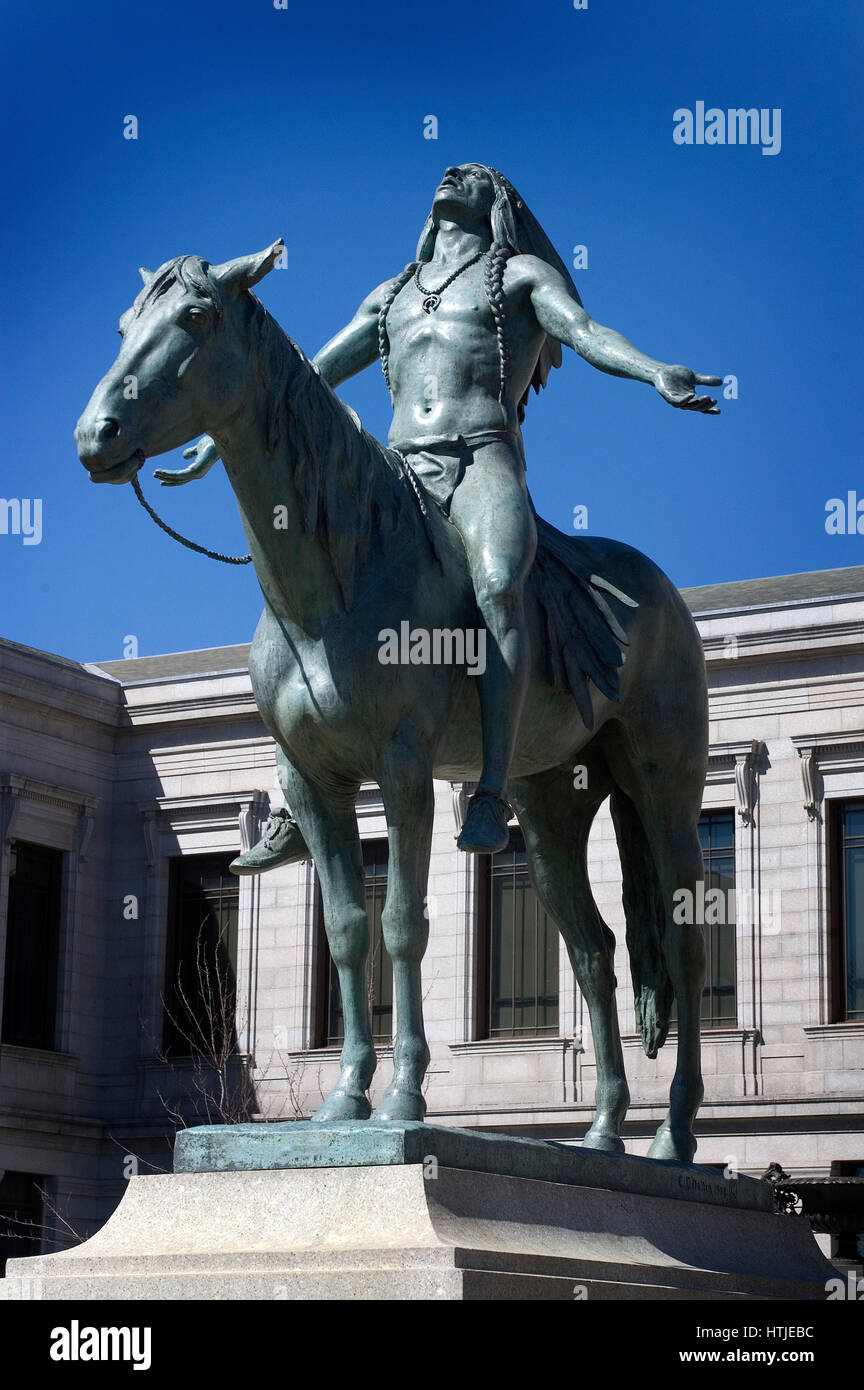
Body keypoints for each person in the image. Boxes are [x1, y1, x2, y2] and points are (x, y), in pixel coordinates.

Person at [157, 164, 720, 867]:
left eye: (479, 176)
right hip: (401, 472)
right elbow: (308, 378)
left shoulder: (515, 277)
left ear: (500, 206)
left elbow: (583, 331)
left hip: (481, 464)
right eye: (453, 170)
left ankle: (490, 787)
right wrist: (216, 441)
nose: (457, 172)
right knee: (303, 590)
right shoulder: (393, 295)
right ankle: (301, 782)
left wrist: (652, 369)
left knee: (495, 583)